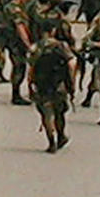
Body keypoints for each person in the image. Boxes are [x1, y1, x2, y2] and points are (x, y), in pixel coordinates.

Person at [28, 25, 77, 153]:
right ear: (53, 30)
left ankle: (51, 142)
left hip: (42, 85)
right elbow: (71, 64)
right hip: (59, 84)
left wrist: (30, 85)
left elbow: (31, 68)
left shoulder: (36, 47)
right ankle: (61, 135)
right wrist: (71, 84)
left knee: (46, 114)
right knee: (59, 112)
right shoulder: (61, 46)